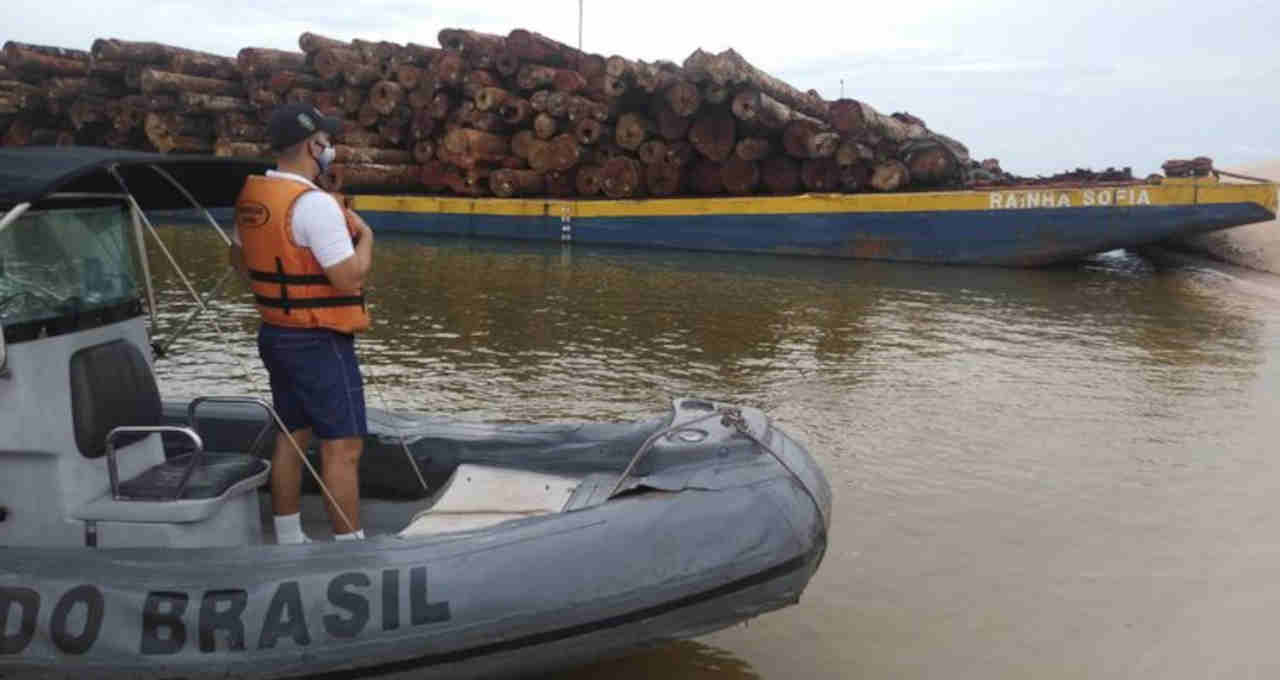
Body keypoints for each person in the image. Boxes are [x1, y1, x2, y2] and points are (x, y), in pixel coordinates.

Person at [229, 103, 373, 543]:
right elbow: (348, 276)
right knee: (343, 446)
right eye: (326, 141)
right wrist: (367, 239)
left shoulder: (254, 197)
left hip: (276, 333)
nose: (330, 148)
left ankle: (289, 537)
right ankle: (351, 552)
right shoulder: (314, 205)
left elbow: (239, 263)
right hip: (318, 338)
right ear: (313, 145)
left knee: (292, 434)